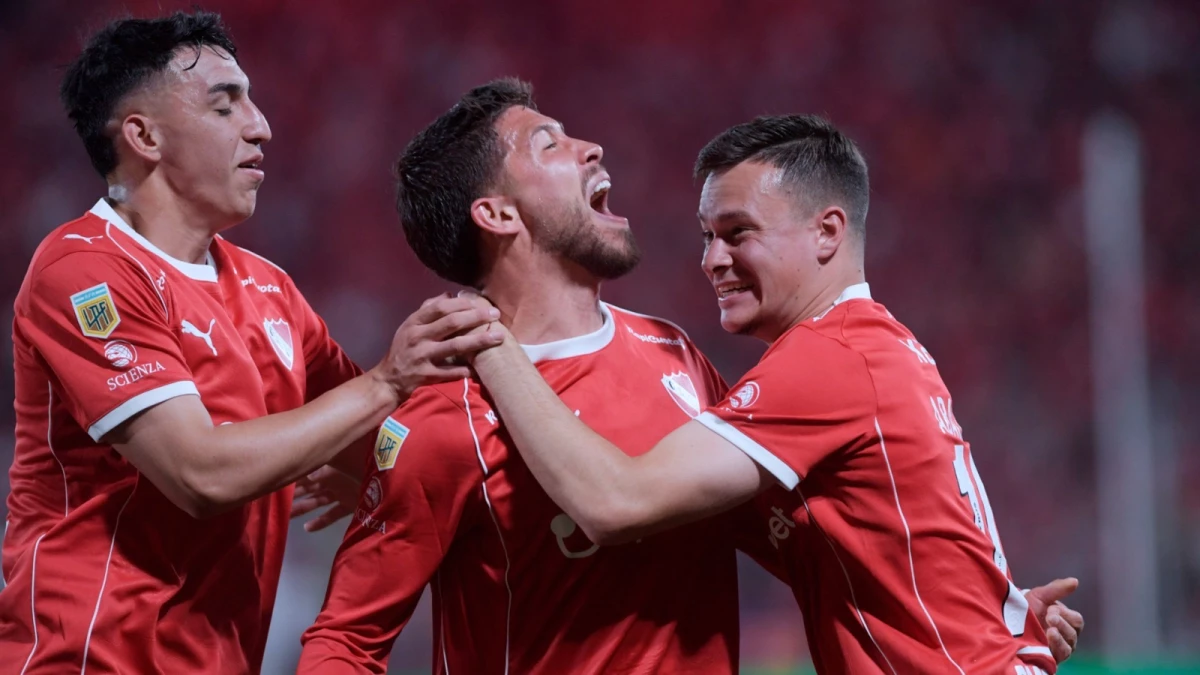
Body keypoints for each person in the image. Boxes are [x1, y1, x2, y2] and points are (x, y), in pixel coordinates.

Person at [297, 81, 1081, 674]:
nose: (590, 149)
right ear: (497, 215)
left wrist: (981, 604)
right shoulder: (445, 418)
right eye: (548, 144)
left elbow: (794, 532)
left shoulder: (673, 356)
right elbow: (344, 639)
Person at [1, 12, 500, 673]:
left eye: (253, 100)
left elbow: (376, 446)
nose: (259, 124)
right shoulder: (85, 269)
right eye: (224, 104)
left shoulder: (269, 291)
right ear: (144, 135)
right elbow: (199, 472)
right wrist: (385, 382)